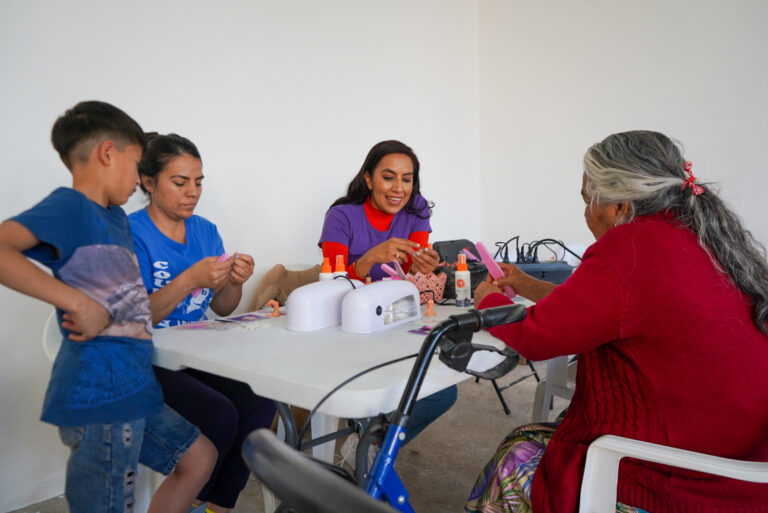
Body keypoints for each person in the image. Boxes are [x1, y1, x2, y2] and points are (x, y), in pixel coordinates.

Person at [466, 131, 768, 513]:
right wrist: (526, 285)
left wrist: (487, 300)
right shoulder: (701, 233)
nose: (586, 213)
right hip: (744, 462)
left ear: (617, 204)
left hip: (682, 480)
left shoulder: (631, 247)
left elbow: (536, 337)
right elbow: (604, 310)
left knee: (514, 459)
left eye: (586, 200)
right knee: (533, 433)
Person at [0, 101, 216, 513]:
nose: (139, 179)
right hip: (101, 397)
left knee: (199, 457)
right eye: (137, 164)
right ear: (107, 154)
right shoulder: (72, 207)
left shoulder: (114, 217)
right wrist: (74, 300)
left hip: (133, 389)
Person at [129, 133, 276, 513]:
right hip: (146, 358)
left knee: (260, 404)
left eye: (198, 182)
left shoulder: (205, 231)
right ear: (149, 182)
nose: (192, 192)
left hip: (194, 352)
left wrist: (235, 282)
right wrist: (188, 280)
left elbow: (224, 309)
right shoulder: (133, 233)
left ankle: (216, 507)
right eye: (180, 183)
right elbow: (135, 318)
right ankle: (190, 503)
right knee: (220, 413)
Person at [319, 139, 456, 450]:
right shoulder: (341, 216)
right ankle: (372, 447)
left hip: (396, 319)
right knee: (372, 391)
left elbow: (411, 268)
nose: (399, 188)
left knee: (444, 391)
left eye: (407, 179)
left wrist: (427, 263)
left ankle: (373, 445)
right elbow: (331, 283)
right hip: (346, 327)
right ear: (368, 178)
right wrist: (369, 258)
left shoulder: (417, 209)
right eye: (388, 176)